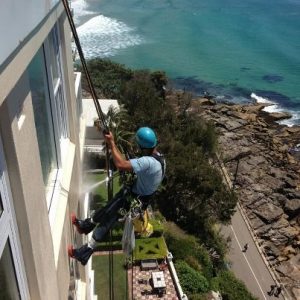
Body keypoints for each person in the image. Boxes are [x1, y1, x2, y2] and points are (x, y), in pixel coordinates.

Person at [68, 127, 166, 265]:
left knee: (108, 219)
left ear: (143, 148)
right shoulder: (159, 158)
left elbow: (120, 164)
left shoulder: (147, 162)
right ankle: (85, 225)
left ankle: (84, 253)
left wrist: (112, 143)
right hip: (136, 196)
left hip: (132, 199)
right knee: (107, 209)